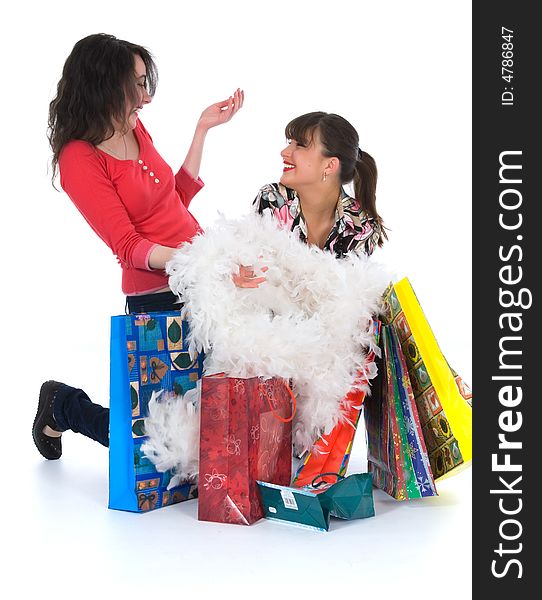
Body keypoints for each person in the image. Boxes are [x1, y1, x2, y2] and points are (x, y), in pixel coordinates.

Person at [33, 33, 244, 460]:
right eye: (137, 84)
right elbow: (129, 246)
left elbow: (173, 198)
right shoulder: (79, 158)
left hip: (203, 281)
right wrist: (201, 261)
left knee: (205, 420)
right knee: (154, 440)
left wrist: (202, 129)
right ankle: (62, 405)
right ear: (104, 84)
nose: (145, 97)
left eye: (147, 82)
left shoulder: (134, 125)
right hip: (157, 295)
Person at [232, 111, 387, 289]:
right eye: (289, 143)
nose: (285, 152)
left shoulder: (362, 226)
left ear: (329, 165)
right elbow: (254, 272)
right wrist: (238, 276)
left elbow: (345, 301)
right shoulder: (273, 200)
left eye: (300, 145)